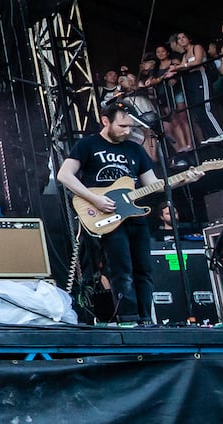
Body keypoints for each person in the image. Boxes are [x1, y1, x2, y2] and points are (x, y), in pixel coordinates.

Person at [57, 103, 182, 323]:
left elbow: (152, 184)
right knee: (121, 269)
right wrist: (96, 199)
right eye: (122, 126)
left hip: (134, 215)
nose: (127, 131)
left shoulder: (134, 149)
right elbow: (64, 175)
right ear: (106, 121)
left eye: (130, 127)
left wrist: (181, 179)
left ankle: (145, 319)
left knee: (144, 269)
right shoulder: (88, 145)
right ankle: (128, 317)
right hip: (106, 215)